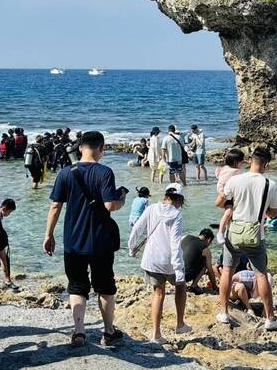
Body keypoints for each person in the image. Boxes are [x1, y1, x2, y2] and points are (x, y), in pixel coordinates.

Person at [44, 131, 126, 347]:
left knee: (77, 286)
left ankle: (79, 331)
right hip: (100, 242)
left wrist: (48, 234)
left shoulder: (65, 173)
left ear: (80, 147)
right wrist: (122, 201)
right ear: (101, 149)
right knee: (106, 286)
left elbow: (55, 207)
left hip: (73, 241)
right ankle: (108, 332)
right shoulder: (105, 172)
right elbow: (110, 205)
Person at [216, 147, 277, 331]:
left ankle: (223, 313)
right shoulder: (270, 184)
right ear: (266, 164)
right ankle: (270, 318)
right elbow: (273, 213)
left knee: (227, 271)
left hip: (235, 231)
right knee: (261, 274)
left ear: (249, 161)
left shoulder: (235, 180)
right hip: (256, 234)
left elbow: (221, 202)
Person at [128, 183, 190, 344]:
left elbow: (137, 229)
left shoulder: (152, 208)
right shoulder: (177, 214)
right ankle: (180, 324)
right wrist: (178, 268)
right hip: (169, 261)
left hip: (151, 260)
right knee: (181, 286)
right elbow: (175, 243)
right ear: (180, 199)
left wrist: (131, 247)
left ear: (166, 196)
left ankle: (156, 334)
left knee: (158, 294)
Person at [214, 149, 245, 243]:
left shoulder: (225, 169)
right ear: (236, 162)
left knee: (231, 215)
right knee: (228, 213)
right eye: (241, 162)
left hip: (232, 196)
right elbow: (221, 182)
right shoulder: (235, 171)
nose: (242, 164)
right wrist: (221, 192)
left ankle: (228, 231)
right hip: (227, 196)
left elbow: (218, 175)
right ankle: (220, 233)